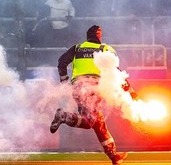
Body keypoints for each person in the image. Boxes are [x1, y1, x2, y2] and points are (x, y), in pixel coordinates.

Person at [50, 25, 131, 165]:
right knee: (89, 122)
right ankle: (63, 116)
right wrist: (130, 92)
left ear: (87, 37)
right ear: (99, 36)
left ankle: (114, 156)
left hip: (78, 87)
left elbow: (61, 61)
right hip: (93, 87)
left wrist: (64, 81)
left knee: (98, 123)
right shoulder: (106, 49)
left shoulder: (77, 48)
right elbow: (117, 74)